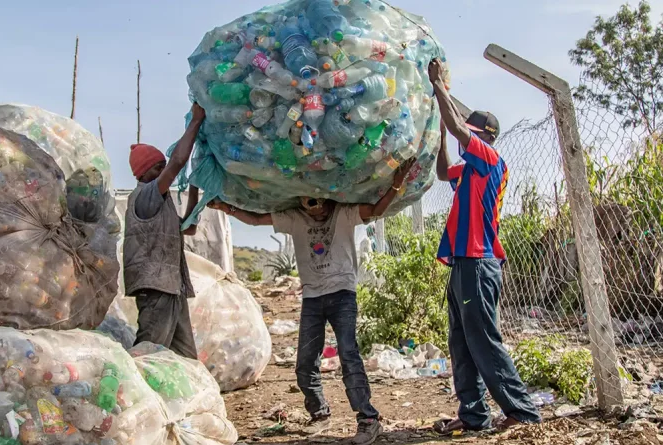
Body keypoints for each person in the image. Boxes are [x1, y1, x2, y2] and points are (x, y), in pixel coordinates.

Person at [210, 157, 416, 445]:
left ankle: (368, 419)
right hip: (312, 297)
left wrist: (396, 183)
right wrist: (225, 207)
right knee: (305, 362)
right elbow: (256, 219)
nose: (316, 208)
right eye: (309, 202)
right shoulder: (295, 218)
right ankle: (319, 412)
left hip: (342, 294)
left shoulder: (344, 213)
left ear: (329, 197)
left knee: (348, 354)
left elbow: (377, 210)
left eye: (319, 202)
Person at [428, 58, 542, 433]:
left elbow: (460, 127)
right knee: (460, 341)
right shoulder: (470, 168)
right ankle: (474, 416)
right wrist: (441, 134)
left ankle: (522, 411)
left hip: (479, 260)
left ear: (486, 137)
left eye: (473, 133)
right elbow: (444, 172)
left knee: (483, 338)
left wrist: (439, 87)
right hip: (463, 262)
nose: (467, 138)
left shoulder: (490, 159)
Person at [123, 103, 206, 359]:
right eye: (158, 168)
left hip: (172, 288)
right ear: (142, 173)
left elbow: (188, 228)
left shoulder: (162, 202)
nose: (164, 173)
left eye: (163, 167)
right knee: (148, 354)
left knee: (186, 357)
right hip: (156, 288)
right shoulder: (145, 196)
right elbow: (178, 161)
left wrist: (195, 185)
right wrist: (196, 121)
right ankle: (133, 398)